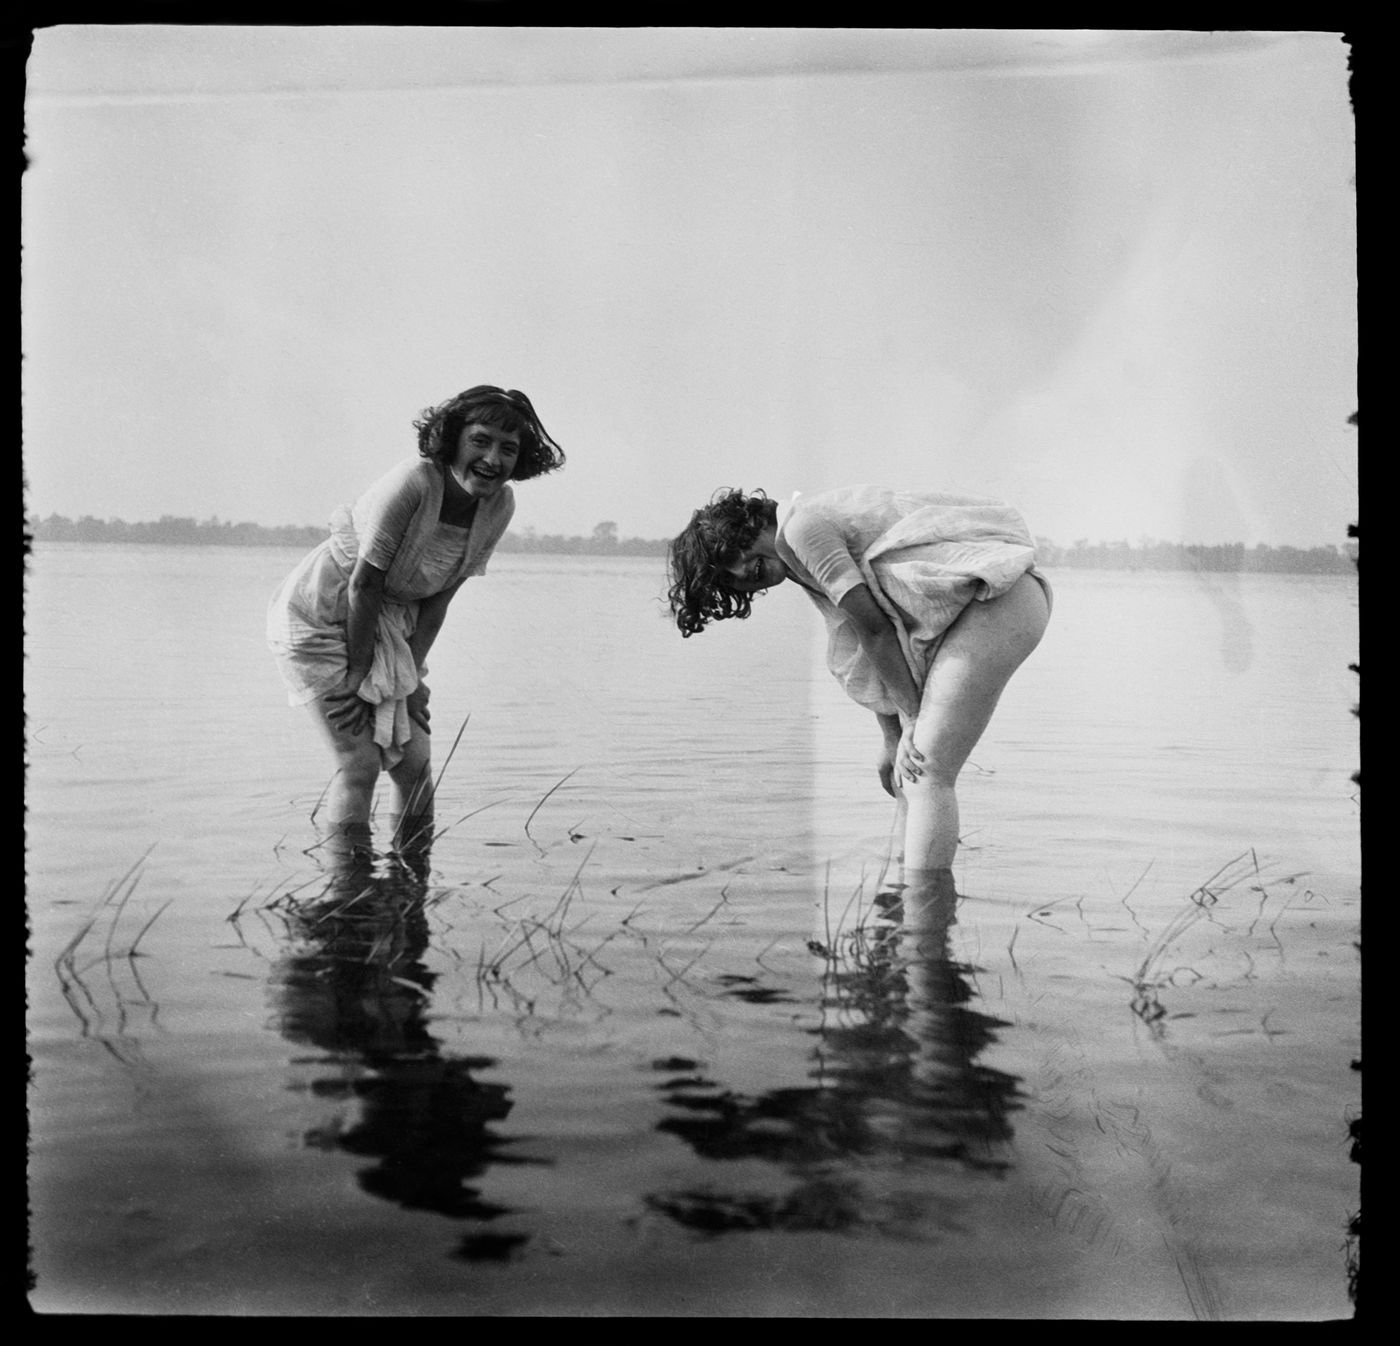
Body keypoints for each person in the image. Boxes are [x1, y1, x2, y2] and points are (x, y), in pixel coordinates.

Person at [666, 485, 1050, 879]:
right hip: (978, 608)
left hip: (1000, 600)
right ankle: (904, 900)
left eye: (735, 552)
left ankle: (925, 921)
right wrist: (891, 735)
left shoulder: (802, 531)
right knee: (907, 776)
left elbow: (877, 630)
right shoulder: (795, 560)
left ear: (751, 524)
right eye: (725, 576)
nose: (740, 571)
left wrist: (913, 720)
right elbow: (864, 645)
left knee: (926, 771)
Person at [268, 385, 564, 853]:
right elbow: (363, 585)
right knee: (359, 763)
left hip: (390, 624)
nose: (492, 459)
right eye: (480, 441)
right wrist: (358, 677)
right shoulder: (415, 481)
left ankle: (410, 888)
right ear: (453, 439)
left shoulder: (500, 506)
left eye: (508, 449)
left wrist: (411, 676)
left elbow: (440, 600)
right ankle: (352, 894)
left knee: (414, 762)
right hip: (324, 612)